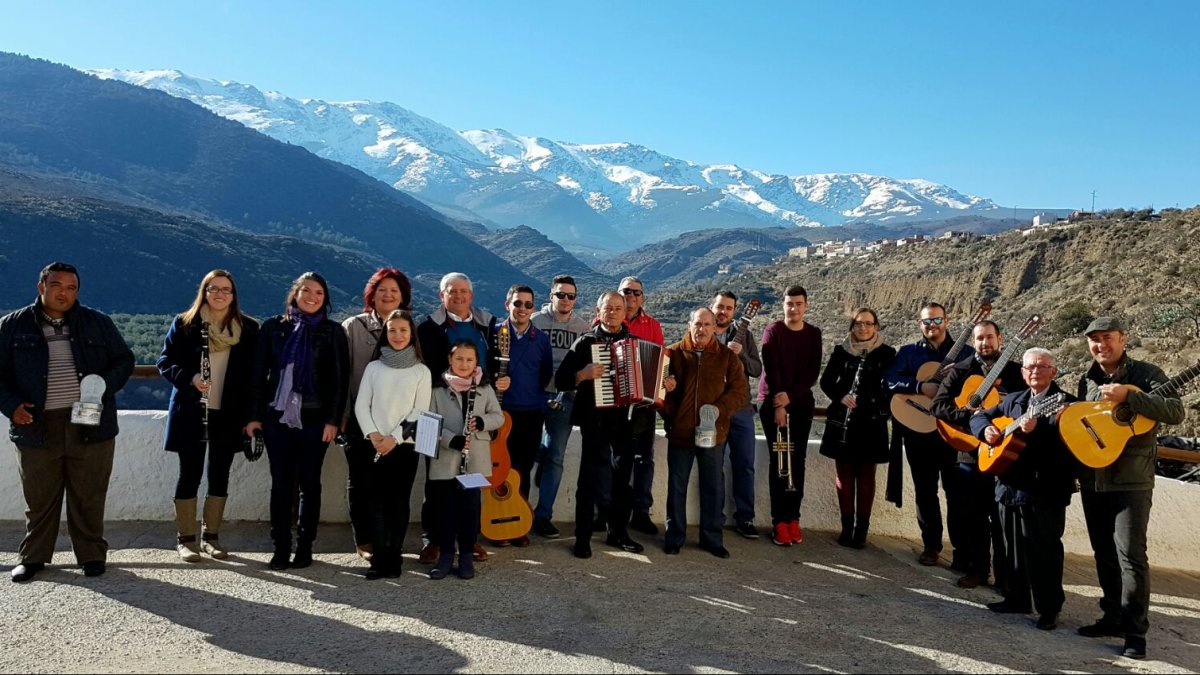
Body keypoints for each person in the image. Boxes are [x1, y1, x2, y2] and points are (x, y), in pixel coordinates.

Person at [3, 262, 134, 583]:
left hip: (90, 421)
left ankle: (91, 556)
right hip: (36, 423)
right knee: (39, 497)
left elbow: (124, 360)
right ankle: (32, 558)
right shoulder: (12, 326)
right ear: (41, 287)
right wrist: (10, 407)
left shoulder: (97, 323)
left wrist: (102, 385)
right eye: (57, 285)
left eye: (71, 287)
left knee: (88, 494)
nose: (64, 293)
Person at [1074, 317, 1184, 660]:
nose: (1100, 345)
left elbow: (1175, 412)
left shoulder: (1146, 373)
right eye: (1094, 340)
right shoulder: (1087, 380)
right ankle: (1112, 617)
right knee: (1104, 553)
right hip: (1094, 477)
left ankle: (1136, 633)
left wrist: (1129, 397)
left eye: (1107, 338)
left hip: (1132, 480)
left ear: (1123, 339)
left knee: (1131, 557)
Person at [970, 347, 1079, 632]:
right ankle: (1016, 598)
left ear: (1053, 371)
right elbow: (977, 416)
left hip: (1046, 489)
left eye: (1042, 367)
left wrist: (1038, 430)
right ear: (1022, 372)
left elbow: (1071, 446)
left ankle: (1049, 609)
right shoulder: (1014, 400)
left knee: (1045, 551)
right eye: (1030, 367)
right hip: (1009, 487)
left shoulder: (1066, 404)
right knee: (1012, 547)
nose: (1035, 372)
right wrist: (986, 431)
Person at [248, 272, 349, 571]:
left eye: (319, 292)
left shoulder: (332, 332)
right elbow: (257, 375)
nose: (312, 297)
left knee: (310, 484)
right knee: (280, 484)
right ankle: (280, 547)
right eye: (306, 290)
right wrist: (253, 416)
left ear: (325, 299)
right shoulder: (272, 328)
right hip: (277, 418)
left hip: (316, 419)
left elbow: (340, 380)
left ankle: (305, 547)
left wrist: (333, 420)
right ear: (295, 293)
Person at [157, 270, 260, 562]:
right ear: (204, 291)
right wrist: (189, 378)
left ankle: (211, 539)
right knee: (189, 473)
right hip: (191, 411)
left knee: (219, 474)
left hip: (229, 413)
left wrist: (252, 415)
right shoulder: (186, 323)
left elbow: (255, 377)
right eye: (213, 288)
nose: (219, 294)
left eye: (226, 289)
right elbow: (164, 361)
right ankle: (185, 540)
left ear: (233, 295)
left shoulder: (249, 329)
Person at [930, 320, 1024, 589]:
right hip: (971, 452)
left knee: (1003, 518)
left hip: (1005, 452)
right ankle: (978, 570)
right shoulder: (960, 370)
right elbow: (938, 407)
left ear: (1000, 339)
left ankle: (1006, 576)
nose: (985, 343)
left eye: (989, 337)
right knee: (975, 517)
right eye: (980, 338)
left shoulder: (1017, 372)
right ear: (973, 342)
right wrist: (970, 416)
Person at [555, 291, 646, 558]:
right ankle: (582, 537)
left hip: (626, 421)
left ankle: (618, 533)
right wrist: (582, 375)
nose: (613, 313)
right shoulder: (584, 343)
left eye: (618, 308)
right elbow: (561, 381)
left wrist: (664, 383)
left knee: (622, 481)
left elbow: (650, 382)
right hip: (594, 421)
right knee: (589, 480)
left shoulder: (635, 343)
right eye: (608, 308)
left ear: (625, 311)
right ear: (599, 310)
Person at [416, 272, 497, 564]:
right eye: (452, 291)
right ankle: (433, 540)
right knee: (436, 481)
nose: (459, 296)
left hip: (475, 411)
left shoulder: (487, 325)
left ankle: (468, 539)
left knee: (471, 484)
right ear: (442, 296)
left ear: (471, 296)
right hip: (437, 407)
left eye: (464, 291)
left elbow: (495, 362)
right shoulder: (427, 328)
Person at [885, 302, 972, 566]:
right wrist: (921, 386)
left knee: (957, 492)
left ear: (947, 321)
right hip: (918, 430)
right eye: (926, 322)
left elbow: (976, 386)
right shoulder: (909, 352)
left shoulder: (967, 353)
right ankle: (931, 546)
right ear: (918, 324)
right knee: (925, 490)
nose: (931, 326)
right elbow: (889, 380)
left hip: (953, 430)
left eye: (936, 320)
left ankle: (961, 551)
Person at [341, 267, 412, 563]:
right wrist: (342, 415)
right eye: (382, 290)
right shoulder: (353, 326)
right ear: (372, 293)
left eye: (394, 291)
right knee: (361, 482)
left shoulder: (409, 327)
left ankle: (389, 544)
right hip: (359, 418)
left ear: (403, 297)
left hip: (398, 422)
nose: (388, 295)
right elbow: (342, 374)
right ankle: (365, 539)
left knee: (393, 488)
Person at [354, 310, 430, 579]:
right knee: (374, 502)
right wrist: (374, 436)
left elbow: (418, 412)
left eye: (403, 330)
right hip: (373, 445)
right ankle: (379, 558)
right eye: (392, 330)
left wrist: (393, 439)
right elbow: (362, 404)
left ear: (412, 335)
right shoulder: (374, 368)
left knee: (398, 502)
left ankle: (394, 557)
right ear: (385, 333)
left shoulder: (421, 371)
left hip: (404, 448)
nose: (398, 335)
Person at [661, 308, 741, 558]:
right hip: (681, 433)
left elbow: (740, 393)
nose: (702, 329)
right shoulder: (672, 353)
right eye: (698, 324)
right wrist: (670, 408)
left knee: (713, 486)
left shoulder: (727, 357)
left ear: (715, 327)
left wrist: (717, 411)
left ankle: (712, 539)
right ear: (689, 324)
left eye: (707, 324)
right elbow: (658, 392)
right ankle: (674, 537)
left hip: (713, 434)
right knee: (676, 487)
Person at [818, 308, 896, 549]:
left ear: (876, 327)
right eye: (858, 324)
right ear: (852, 326)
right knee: (844, 475)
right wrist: (842, 396)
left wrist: (875, 403)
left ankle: (861, 531)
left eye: (868, 324)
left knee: (866, 476)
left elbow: (891, 387)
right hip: (844, 422)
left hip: (871, 423)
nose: (863, 328)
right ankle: (846, 528)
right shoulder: (841, 351)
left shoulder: (887, 353)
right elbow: (826, 381)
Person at [427, 340, 505, 580]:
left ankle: (467, 556)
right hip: (447, 459)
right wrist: (452, 440)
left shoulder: (484, 388)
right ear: (450, 360)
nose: (464, 364)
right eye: (459, 359)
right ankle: (447, 555)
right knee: (447, 511)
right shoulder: (437, 390)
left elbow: (498, 417)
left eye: (469, 359)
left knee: (470, 510)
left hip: (475, 460)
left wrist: (481, 423)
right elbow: (429, 421)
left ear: (476, 363)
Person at [758, 285, 822, 547]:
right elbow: (771, 369)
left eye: (798, 303)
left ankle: (793, 518)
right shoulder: (773, 331)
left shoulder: (814, 334)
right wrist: (780, 404)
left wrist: (792, 397)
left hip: (800, 404)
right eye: (789, 303)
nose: (793, 308)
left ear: (806, 306)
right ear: (783, 305)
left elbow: (812, 372)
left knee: (798, 461)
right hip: (774, 403)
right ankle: (779, 522)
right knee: (780, 460)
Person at [530, 275, 591, 539]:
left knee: (555, 456)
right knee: (526, 453)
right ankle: (517, 510)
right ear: (551, 296)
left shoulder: (583, 328)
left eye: (571, 296)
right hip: (533, 395)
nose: (566, 300)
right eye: (560, 295)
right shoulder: (536, 322)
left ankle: (543, 516)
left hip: (564, 397)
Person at [491, 284, 553, 547]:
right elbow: (481, 367)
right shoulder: (494, 334)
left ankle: (519, 523)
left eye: (529, 305)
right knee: (499, 469)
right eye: (518, 303)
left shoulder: (540, 339)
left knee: (523, 469)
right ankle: (496, 521)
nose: (523, 309)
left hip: (530, 413)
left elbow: (545, 374)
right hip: (500, 412)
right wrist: (496, 380)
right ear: (508, 305)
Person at [710, 291, 764, 539]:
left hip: (741, 410)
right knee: (714, 466)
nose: (723, 311)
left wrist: (741, 353)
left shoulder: (745, 335)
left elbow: (756, 369)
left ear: (736, 312)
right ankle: (714, 519)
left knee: (745, 465)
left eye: (728, 308)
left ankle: (745, 518)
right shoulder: (703, 331)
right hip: (713, 411)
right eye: (720, 307)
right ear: (713, 307)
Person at [618, 276, 664, 536]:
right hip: (616, 404)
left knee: (645, 460)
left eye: (637, 292)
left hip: (646, 405)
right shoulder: (607, 319)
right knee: (614, 459)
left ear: (643, 298)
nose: (632, 297)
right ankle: (611, 509)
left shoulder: (653, 325)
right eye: (627, 291)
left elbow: (661, 360)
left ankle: (641, 512)